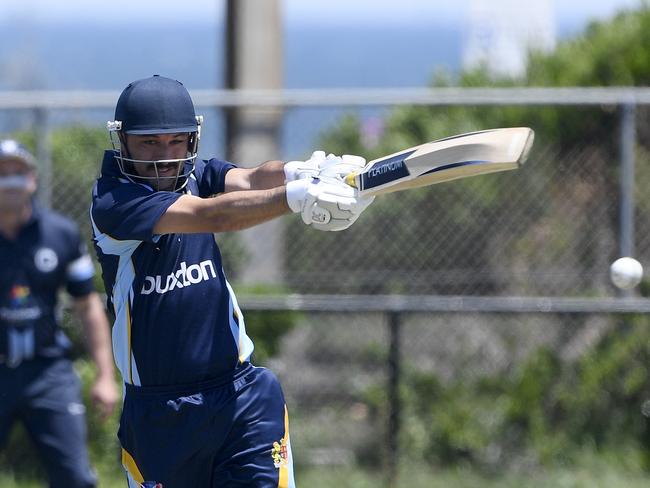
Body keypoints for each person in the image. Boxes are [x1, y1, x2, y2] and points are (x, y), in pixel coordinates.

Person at [90, 74, 374, 488]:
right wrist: (296, 197)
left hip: (241, 396)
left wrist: (305, 170)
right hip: (159, 414)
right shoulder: (115, 202)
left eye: (176, 141)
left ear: (192, 139)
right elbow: (212, 215)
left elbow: (251, 178)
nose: (164, 156)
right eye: (149, 142)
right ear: (124, 142)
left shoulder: (193, 173)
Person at [0, 139, 118, 487]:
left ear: (33, 179)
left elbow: (87, 305)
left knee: (76, 478)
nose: (10, 181)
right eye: (2, 173)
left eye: (18, 172)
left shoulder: (60, 234)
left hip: (47, 371)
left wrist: (104, 375)